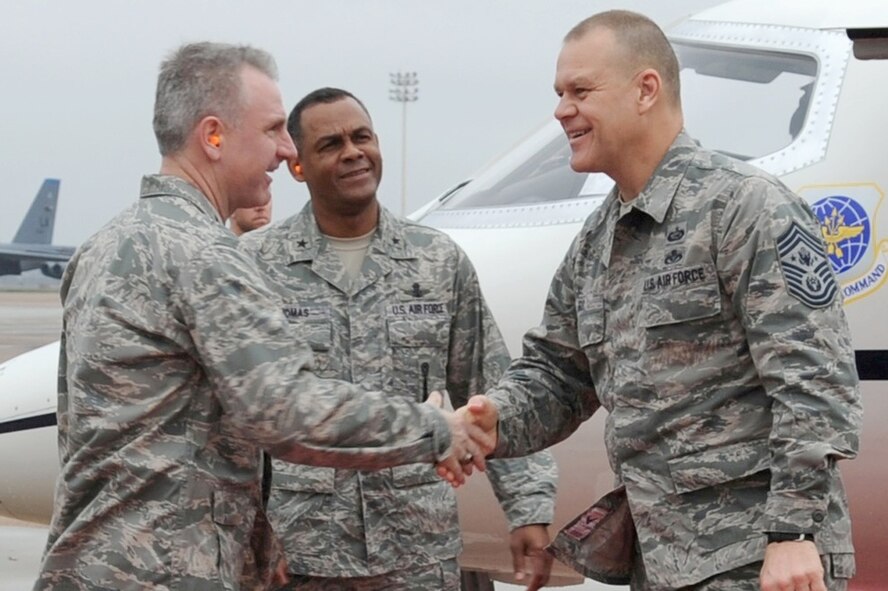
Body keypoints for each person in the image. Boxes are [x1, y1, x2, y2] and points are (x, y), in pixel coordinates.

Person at [34, 42, 490, 591]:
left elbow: (76, 424)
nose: (283, 151)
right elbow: (283, 412)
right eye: (273, 129)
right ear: (213, 136)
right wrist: (435, 429)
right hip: (170, 570)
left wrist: (255, 542)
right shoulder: (207, 256)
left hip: (88, 566)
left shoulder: (102, 247)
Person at [455, 10, 862, 591]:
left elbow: (814, 381)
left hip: (757, 560)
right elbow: (557, 377)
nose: (561, 110)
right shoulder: (597, 242)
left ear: (645, 89)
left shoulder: (745, 207)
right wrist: (490, 422)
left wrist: (793, 534)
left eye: (580, 91)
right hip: (663, 563)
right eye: (558, 93)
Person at [240, 87, 558, 591]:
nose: (352, 152)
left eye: (362, 137)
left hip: (417, 550)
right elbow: (238, 416)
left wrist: (528, 508)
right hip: (299, 553)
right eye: (330, 145)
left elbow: (491, 388)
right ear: (298, 166)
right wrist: (248, 539)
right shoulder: (254, 264)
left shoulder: (438, 261)